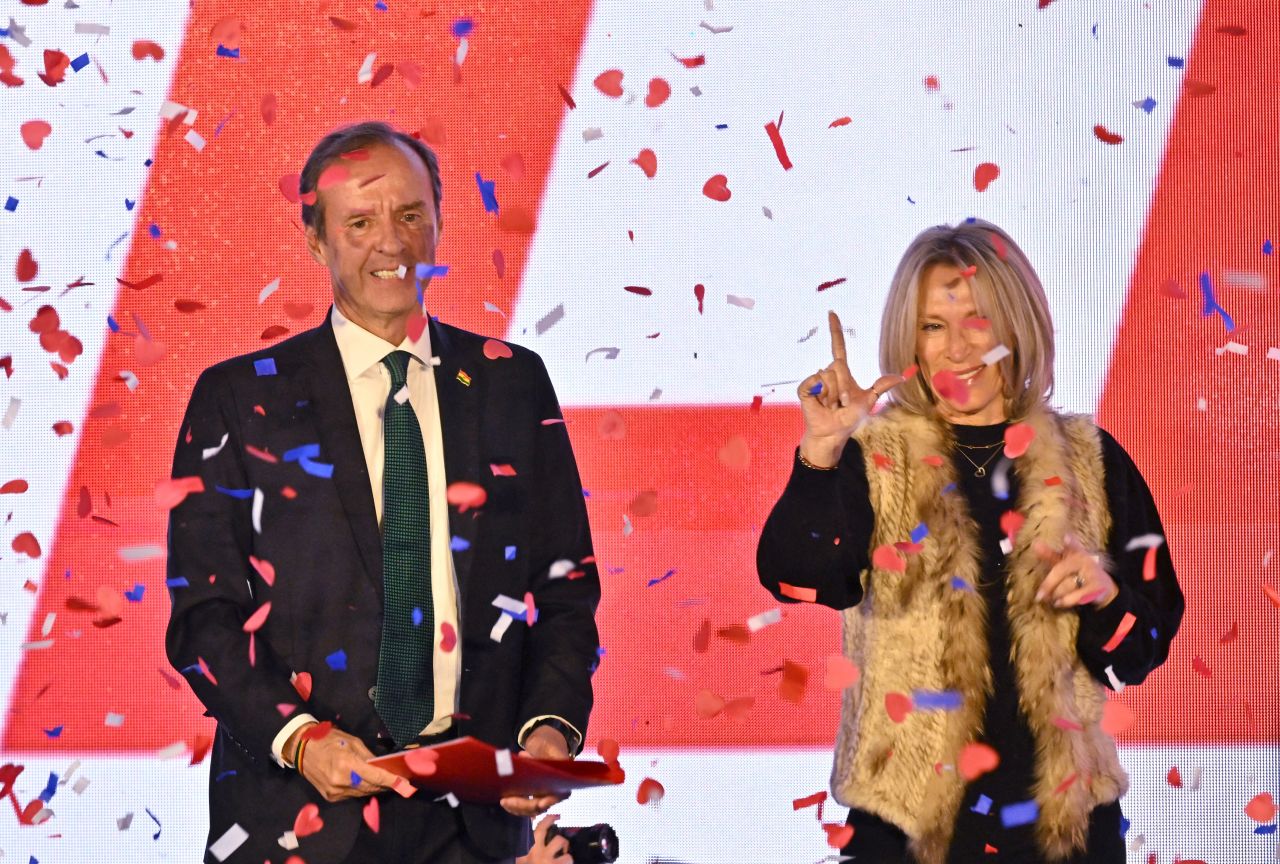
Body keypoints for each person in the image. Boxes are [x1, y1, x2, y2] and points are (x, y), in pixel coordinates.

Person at [166, 121, 599, 863]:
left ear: (439, 221)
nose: (391, 243)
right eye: (360, 222)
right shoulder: (239, 401)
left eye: (409, 215)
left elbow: (561, 588)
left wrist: (545, 733)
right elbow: (205, 620)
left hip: (474, 826)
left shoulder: (510, 382)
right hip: (297, 824)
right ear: (315, 238)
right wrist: (300, 743)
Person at [756, 220, 1184, 864]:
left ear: (1016, 325)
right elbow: (800, 576)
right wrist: (821, 451)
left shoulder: (1091, 460)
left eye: (978, 320)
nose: (957, 348)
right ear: (912, 341)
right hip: (900, 832)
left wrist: (1105, 595)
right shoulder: (871, 458)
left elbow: (1143, 650)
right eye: (933, 326)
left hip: (1065, 835)